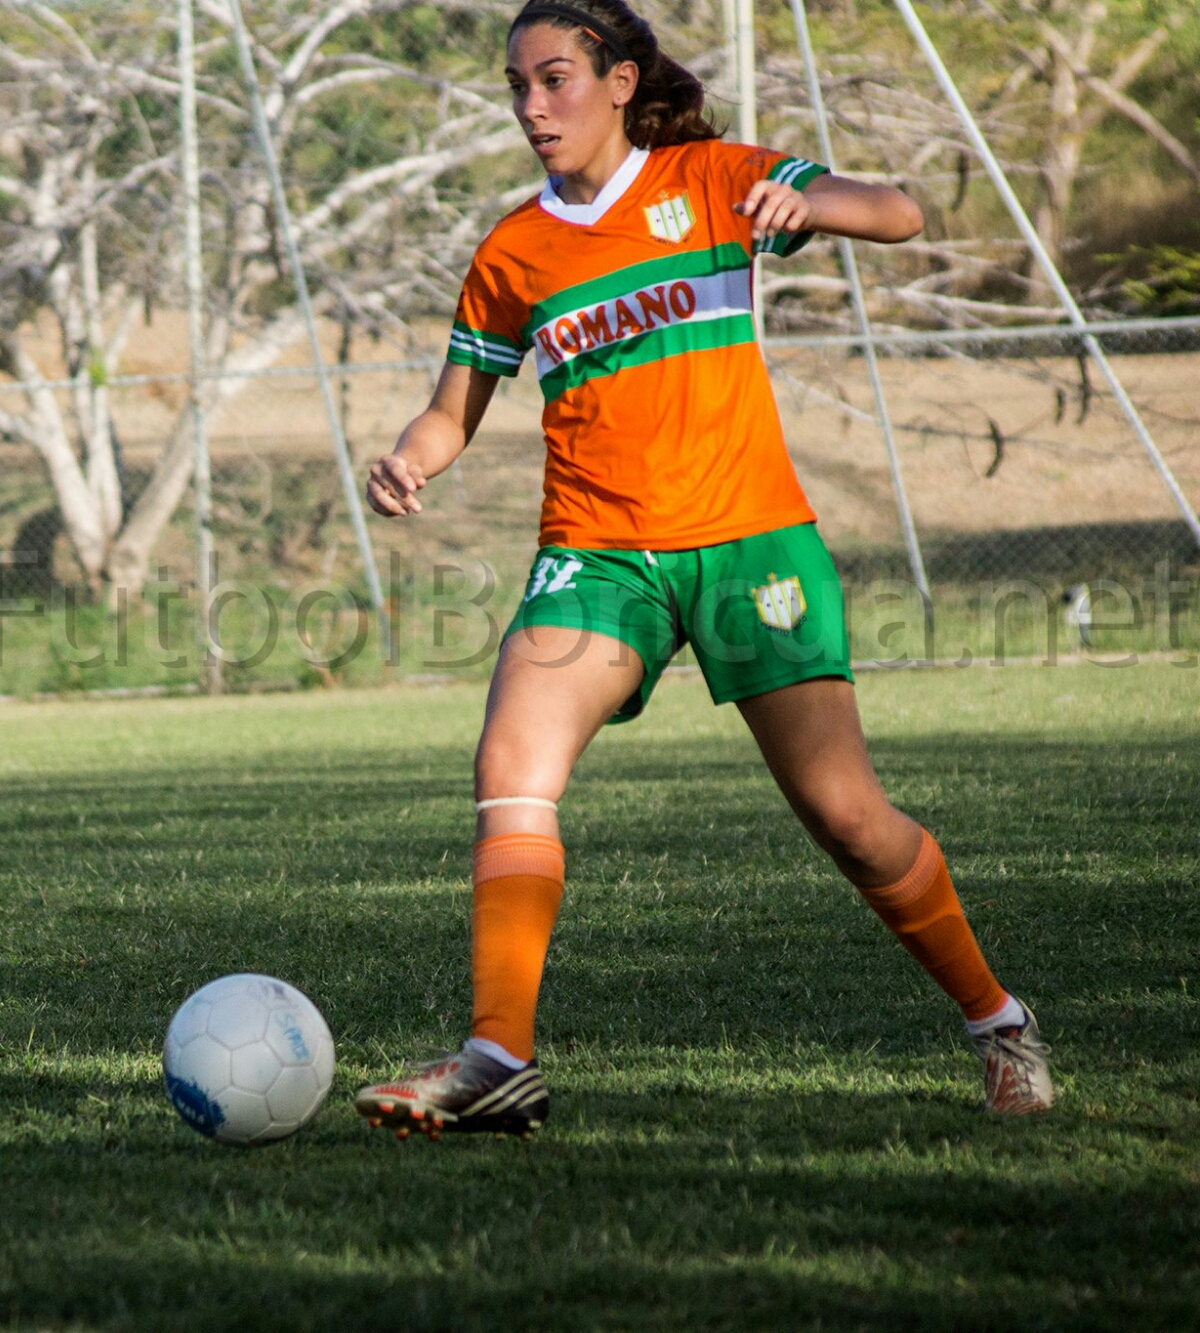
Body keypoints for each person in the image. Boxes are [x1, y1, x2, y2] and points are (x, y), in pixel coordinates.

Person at [353, 0, 1053, 1139]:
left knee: (846, 816)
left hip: (747, 543)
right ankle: (496, 1057)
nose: (533, 107)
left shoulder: (711, 180)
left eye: (556, 80)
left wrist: (806, 198)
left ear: (621, 80)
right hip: (594, 553)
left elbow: (897, 209)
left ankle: (996, 1022)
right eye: (517, 86)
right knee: (509, 766)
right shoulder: (510, 252)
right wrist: (406, 460)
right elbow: (451, 410)